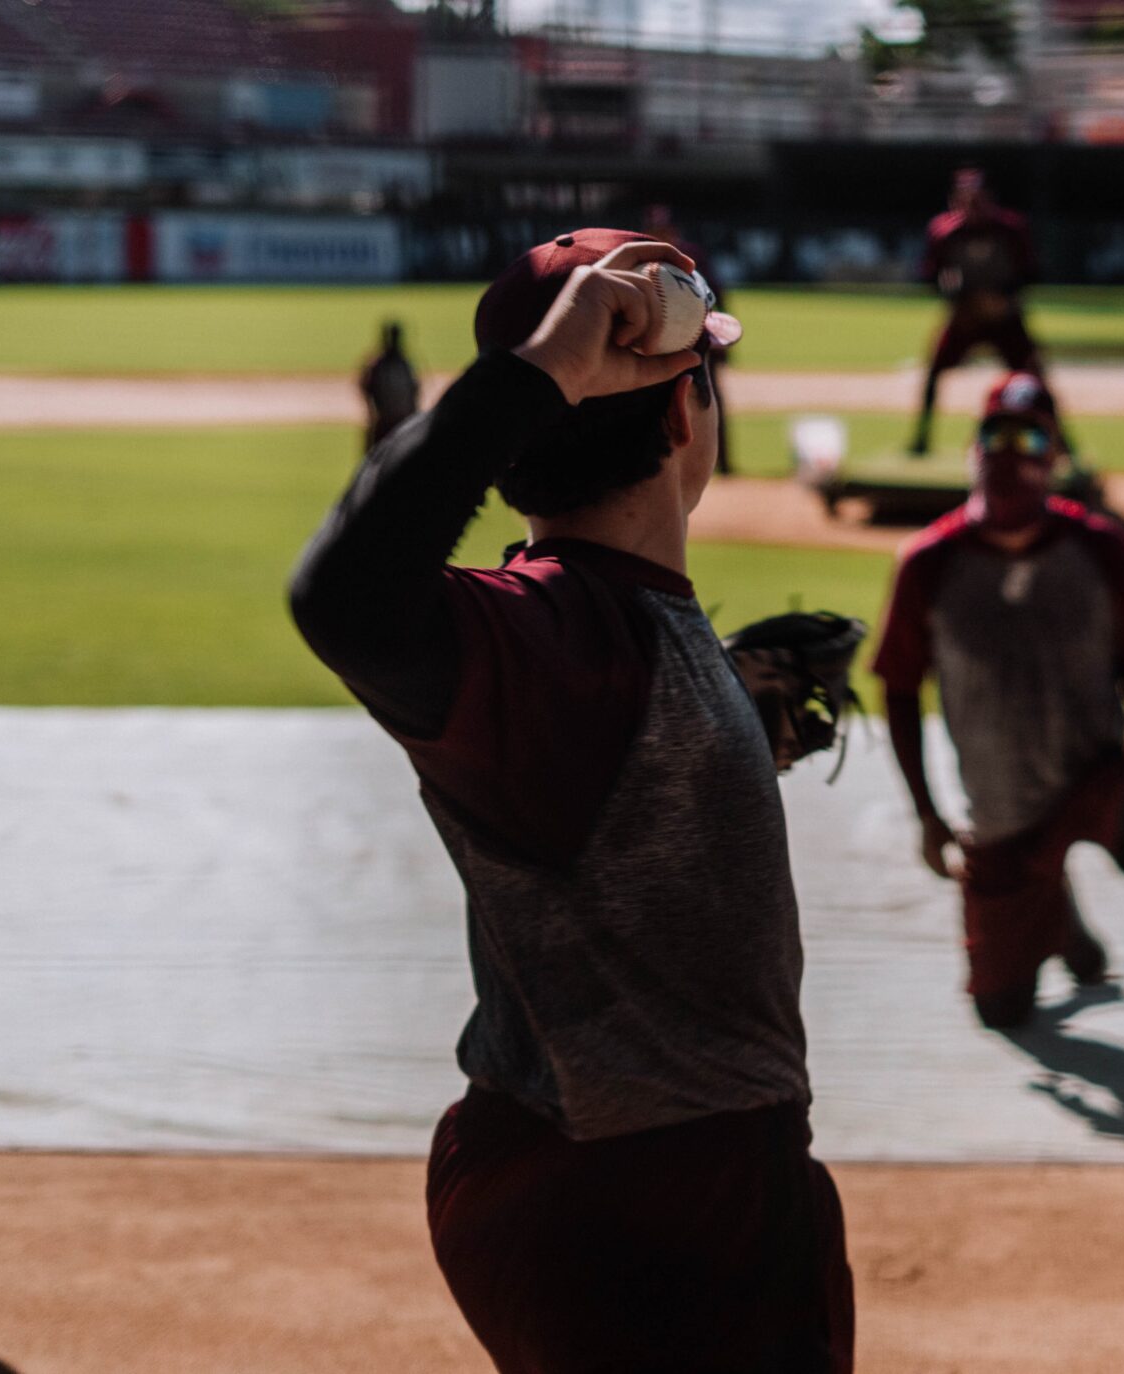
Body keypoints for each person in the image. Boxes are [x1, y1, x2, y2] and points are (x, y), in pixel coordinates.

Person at [288, 230, 854, 1373]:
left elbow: (604, 774)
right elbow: (344, 600)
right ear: (686, 418)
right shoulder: (556, 638)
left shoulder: (598, 635)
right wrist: (547, 372)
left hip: (634, 1183)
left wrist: (729, 727)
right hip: (653, 1209)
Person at [873, 371, 1124, 1093]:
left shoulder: (1101, 550)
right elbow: (897, 688)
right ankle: (1063, 923)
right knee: (1003, 1008)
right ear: (972, 450)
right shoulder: (929, 562)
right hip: (1001, 812)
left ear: (1054, 457)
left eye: (1030, 440)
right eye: (994, 437)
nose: (1008, 455)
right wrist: (928, 816)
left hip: (1095, 777)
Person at [909, 168, 1043, 457]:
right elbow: (929, 275)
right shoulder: (944, 231)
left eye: (978, 199)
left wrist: (1003, 297)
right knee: (934, 372)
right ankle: (921, 440)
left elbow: (1031, 272)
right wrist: (960, 300)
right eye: (965, 199)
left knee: (1035, 378)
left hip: (1005, 317)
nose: (973, 206)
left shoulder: (1011, 229)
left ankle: (1058, 444)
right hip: (965, 318)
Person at [642, 204, 735, 476]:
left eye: (665, 229)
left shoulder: (693, 255)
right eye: (656, 230)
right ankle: (664, 466)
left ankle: (724, 463)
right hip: (659, 347)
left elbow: (716, 297)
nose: (662, 234)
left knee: (710, 401)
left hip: (699, 343)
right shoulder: (641, 260)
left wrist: (720, 342)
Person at [357, 319, 419, 451]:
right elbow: (415, 392)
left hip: (390, 424)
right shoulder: (404, 364)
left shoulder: (379, 365)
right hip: (400, 423)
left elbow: (365, 388)